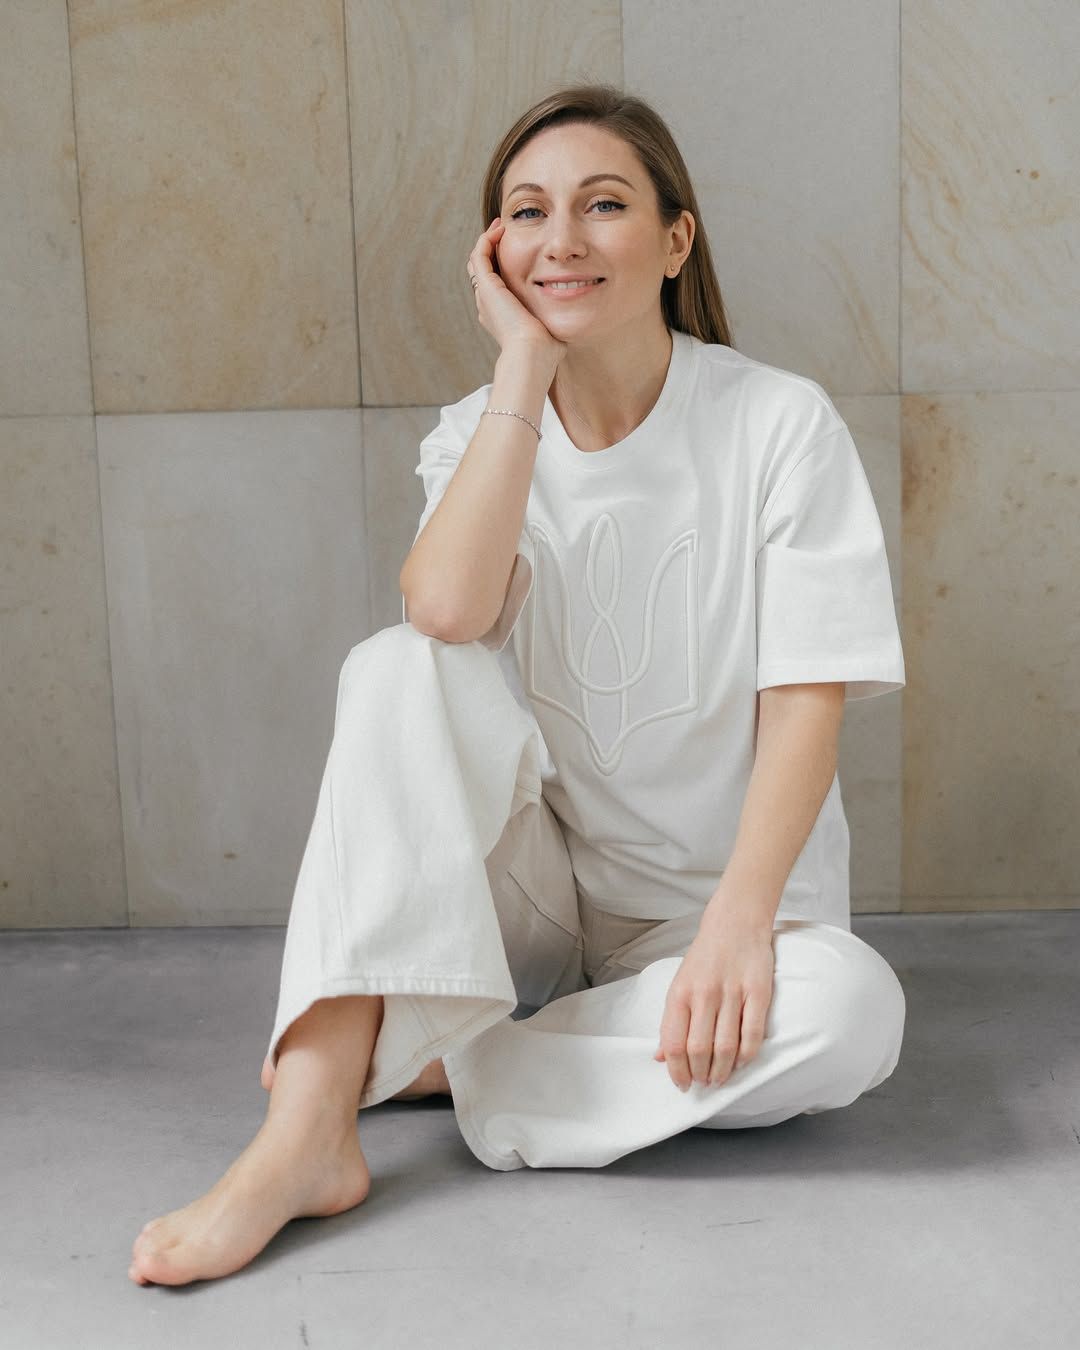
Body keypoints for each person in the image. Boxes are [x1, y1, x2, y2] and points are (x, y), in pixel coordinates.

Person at [129, 83, 907, 1287]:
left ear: (676, 240)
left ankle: (452, 1057)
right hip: (533, 904)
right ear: (496, 250)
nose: (563, 240)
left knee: (854, 1013)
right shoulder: (482, 428)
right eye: (529, 212)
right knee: (397, 665)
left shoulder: (778, 424)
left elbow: (808, 697)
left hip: (714, 910)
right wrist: (524, 372)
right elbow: (445, 613)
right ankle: (305, 1134)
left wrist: (740, 925)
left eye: (604, 205)